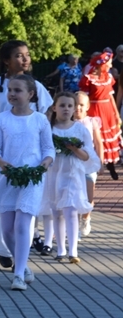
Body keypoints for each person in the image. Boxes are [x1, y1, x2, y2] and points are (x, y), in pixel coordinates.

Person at [0, 40, 53, 269]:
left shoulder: (36, 86)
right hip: (3, 155)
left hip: (29, 156)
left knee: (25, 211)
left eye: (27, 54)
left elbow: (45, 118)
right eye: (19, 55)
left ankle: (22, 258)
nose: (25, 59)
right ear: (6, 60)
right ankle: (3, 247)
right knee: (2, 208)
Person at [40, 92, 96, 264]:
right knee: (57, 212)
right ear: (54, 108)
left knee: (71, 211)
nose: (66, 109)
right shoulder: (49, 129)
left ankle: (73, 251)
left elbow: (87, 155)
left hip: (72, 174)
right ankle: (61, 249)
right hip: (53, 173)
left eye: (70, 106)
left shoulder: (80, 129)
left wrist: (74, 148)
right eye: (62, 105)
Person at [79, 49, 120, 180]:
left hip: (107, 109)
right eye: (109, 63)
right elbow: (83, 98)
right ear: (102, 65)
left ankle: (110, 165)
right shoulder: (88, 79)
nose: (111, 65)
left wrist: (116, 113)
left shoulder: (108, 77)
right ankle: (95, 165)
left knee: (108, 138)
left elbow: (110, 96)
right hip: (94, 109)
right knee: (97, 138)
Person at [74, 91, 104, 235]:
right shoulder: (68, 123)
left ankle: (86, 219)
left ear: (87, 106)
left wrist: (101, 162)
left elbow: (98, 143)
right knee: (74, 196)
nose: (77, 108)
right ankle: (73, 227)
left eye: (81, 104)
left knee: (88, 196)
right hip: (73, 165)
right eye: (75, 104)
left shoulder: (92, 122)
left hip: (89, 164)